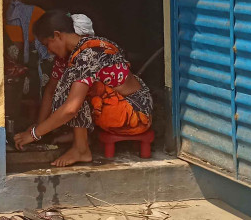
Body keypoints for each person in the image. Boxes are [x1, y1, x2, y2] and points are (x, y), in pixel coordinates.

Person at [13, 9, 152, 167]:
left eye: (47, 44)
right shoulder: (70, 55)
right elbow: (51, 91)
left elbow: (72, 108)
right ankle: (81, 138)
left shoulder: (88, 54)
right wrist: (40, 125)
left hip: (135, 113)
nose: (48, 51)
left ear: (58, 35)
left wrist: (34, 134)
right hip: (116, 107)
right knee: (70, 86)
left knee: (74, 90)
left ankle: (81, 149)